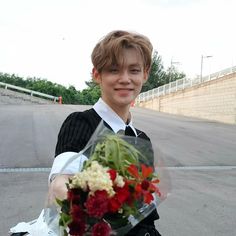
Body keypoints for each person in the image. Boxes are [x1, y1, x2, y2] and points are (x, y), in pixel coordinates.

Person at [11, 30, 161, 236]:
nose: (125, 79)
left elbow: (143, 209)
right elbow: (60, 184)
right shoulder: (81, 123)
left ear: (145, 74)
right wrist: (91, 220)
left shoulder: (141, 139)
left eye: (134, 70)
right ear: (97, 75)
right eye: (114, 70)